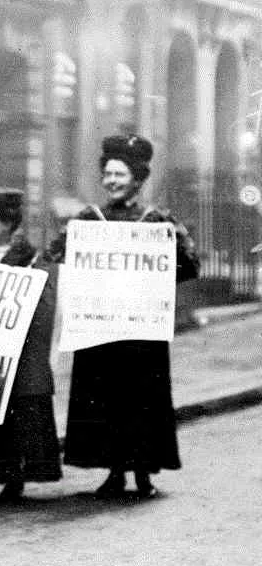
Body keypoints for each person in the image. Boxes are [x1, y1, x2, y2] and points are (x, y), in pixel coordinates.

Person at [47, 134, 199, 498]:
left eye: (120, 174)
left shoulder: (157, 221)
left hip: (141, 332)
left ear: (137, 179)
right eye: (108, 174)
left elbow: (189, 264)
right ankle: (114, 470)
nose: (112, 180)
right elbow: (57, 254)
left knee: (141, 398)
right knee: (106, 398)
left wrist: (159, 274)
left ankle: (144, 470)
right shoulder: (88, 219)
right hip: (101, 329)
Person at [0, 187, 61, 501]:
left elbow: (43, 308)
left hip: (16, 356)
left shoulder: (32, 260)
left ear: (7, 223)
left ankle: (12, 476)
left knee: (13, 418)